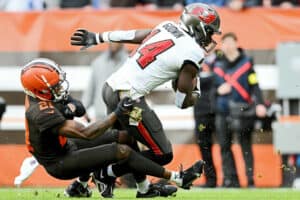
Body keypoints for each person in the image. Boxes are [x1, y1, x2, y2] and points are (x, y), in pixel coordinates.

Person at [71, 2, 221, 196]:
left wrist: (99, 37)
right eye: (209, 31)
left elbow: (135, 35)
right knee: (162, 152)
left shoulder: (168, 26)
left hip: (110, 87)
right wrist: (197, 90)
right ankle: (105, 173)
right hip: (128, 97)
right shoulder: (193, 51)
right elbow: (181, 101)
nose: (209, 37)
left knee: (127, 143)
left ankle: (140, 188)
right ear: (198, 27)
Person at [20, 57, 204, 198]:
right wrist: (117, 112)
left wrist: (72, 108)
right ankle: (178, 177)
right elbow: (87, 133)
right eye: (55, 85)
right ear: (40, 90)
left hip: (66, 146)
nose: (60, 87)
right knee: (121, 151)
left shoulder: (44, 95)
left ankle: (140, 188)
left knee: (127, 137)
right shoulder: (40, 112)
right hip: (59, 162)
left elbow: (79, 107)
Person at [213, 32, 266, 187]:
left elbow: (254, 84)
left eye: (230, 42)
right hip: (222, 110)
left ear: (236, 43)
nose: (228, 46)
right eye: (225, 43)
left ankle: (250, 180)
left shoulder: (247, 62)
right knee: (224, 146)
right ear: (222, 45)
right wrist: (218, 91)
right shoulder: (216, 63)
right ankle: (231, 180)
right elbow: (210, 89)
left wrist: (260, 104)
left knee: (245, 145)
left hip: (243, 111)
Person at [82, 43, 128, 121]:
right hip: (101, 114)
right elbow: (91, 89)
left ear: (122, 44)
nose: (114, 44)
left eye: (116, 41)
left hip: (122, 114)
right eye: (112, 41)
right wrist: (83, 109)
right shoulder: (98, 63)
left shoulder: (128, 63)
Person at [193, 51, 218, 188]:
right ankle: (211, 181)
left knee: (226, 145)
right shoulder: (193, 60)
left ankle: (232, 180)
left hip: (219, 110)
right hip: (201, 110)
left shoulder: (220, 60)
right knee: (204, 146)